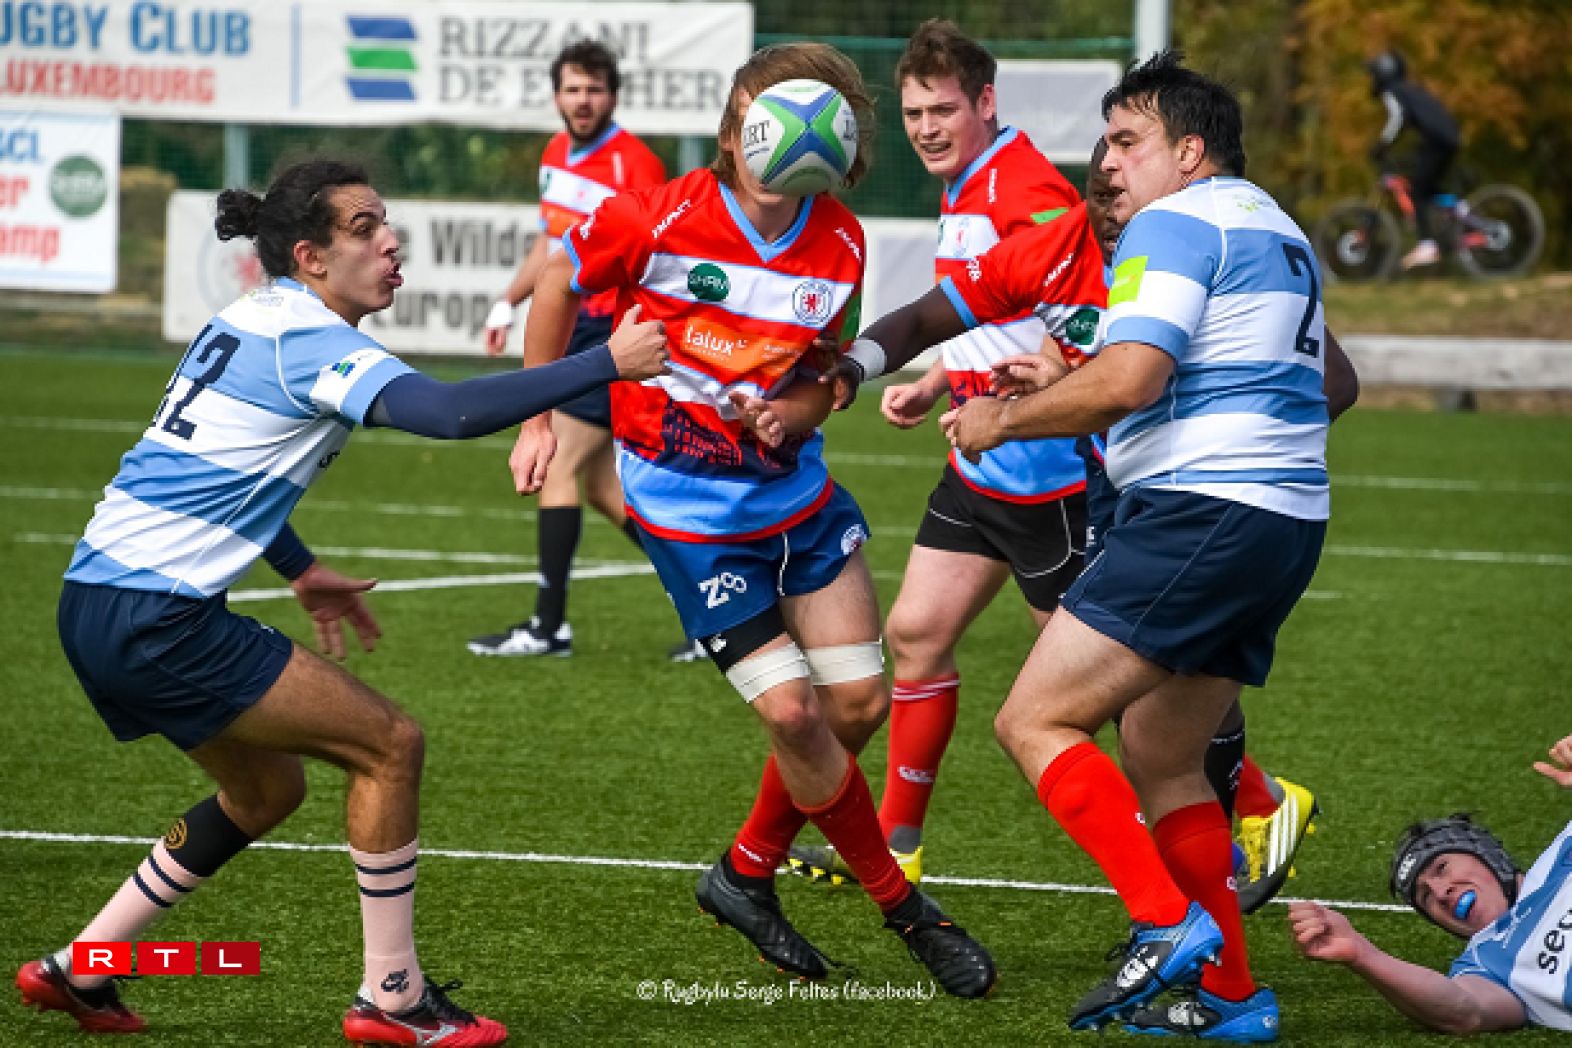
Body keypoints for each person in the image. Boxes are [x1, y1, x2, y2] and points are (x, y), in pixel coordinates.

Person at [12, 159, 668, 1043]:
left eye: (385, 221)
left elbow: (212, 469)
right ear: (311, 257)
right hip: (159, 618)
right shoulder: (311, 340)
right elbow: (449, 413)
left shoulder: (250, 317)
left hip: (94, 600)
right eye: (365, 228)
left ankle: (83, 966)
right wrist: (606, 362)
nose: (391, 241)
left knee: (265, 792)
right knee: (390, 745)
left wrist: (298, 567)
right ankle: (394, 998)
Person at [503, 42, 997, 999]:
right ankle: (908, 911)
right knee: (793, 712)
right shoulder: (658, 213)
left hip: (798, 503)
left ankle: (743, 873)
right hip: (687, 514)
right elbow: (560, 281)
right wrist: (537, 414)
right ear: (734, 133)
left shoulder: (840, 240)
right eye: (757, 118)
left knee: (857, 706)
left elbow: (822, 381)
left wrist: (784, 415)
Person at [895, 49, 1351, 1038]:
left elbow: (1135, 378)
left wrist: (1001, 419)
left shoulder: (1172, 222)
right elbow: (1334, 384)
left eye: (1126, 140)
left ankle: (1163, 920)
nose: (1106, 161)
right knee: (1161, 752)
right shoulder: (1276, 225)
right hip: (1284, 520)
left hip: (1202, 511)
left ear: (1189, 152)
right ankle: (1233, 995)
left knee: (1034, 720)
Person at [787, 19, 1091, 889]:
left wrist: (1029, 391)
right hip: (978, 469)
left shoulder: (1026, 186)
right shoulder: (967, 181)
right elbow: (994, 308)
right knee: (915, 636)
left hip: (1049, 479)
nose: (926, 127)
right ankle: (897, 844)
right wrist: (937, 380)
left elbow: (1080, 302)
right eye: (915, 112)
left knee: (1105, 684)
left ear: (985, 102)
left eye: (943, 109)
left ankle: (1251, 801)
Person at [469, 40, 680, 659]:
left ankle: (548, 627)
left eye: (593, 89)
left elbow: (659, 258)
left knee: (557, 464)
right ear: (557, 95)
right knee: (605, 490)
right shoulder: (555, 153)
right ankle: (719, 596)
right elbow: (551, 245)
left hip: (609, 334)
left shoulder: (636, 165)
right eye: (572, 88)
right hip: (571, 327)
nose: (582, 100)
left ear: (612, 96)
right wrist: (508, 301)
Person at [1290, 734, 1572, 1034]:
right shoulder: (1484, 963)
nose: (1440, 892)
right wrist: (1361, 953)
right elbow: (1466, 1012)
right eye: (1425, 897)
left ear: (1488, 856)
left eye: (1442, 868)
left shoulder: (1560, 856)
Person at [1366, 50, 1460, 271]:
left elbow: (1398, 117)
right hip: (1447, 137)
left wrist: (1382, 145)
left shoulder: (1394, 90)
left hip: (1436, 139)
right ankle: (1460, 210)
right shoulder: (1411, 89)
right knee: (1426, 186)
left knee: (1417, 190)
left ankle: (1427, 246)